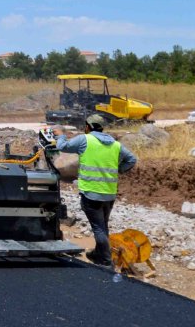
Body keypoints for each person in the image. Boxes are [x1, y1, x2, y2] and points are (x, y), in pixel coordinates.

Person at [55, 114, 138, 267]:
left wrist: (60, 135)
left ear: (89, 126)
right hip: (109, 193)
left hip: (91, 193)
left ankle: (106, 262)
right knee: (103, 225)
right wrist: (119, 169)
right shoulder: (115, 144)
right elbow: (132, 159)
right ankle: (97, 254)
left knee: (98, 228)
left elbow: (62, 147)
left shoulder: (85, 139)